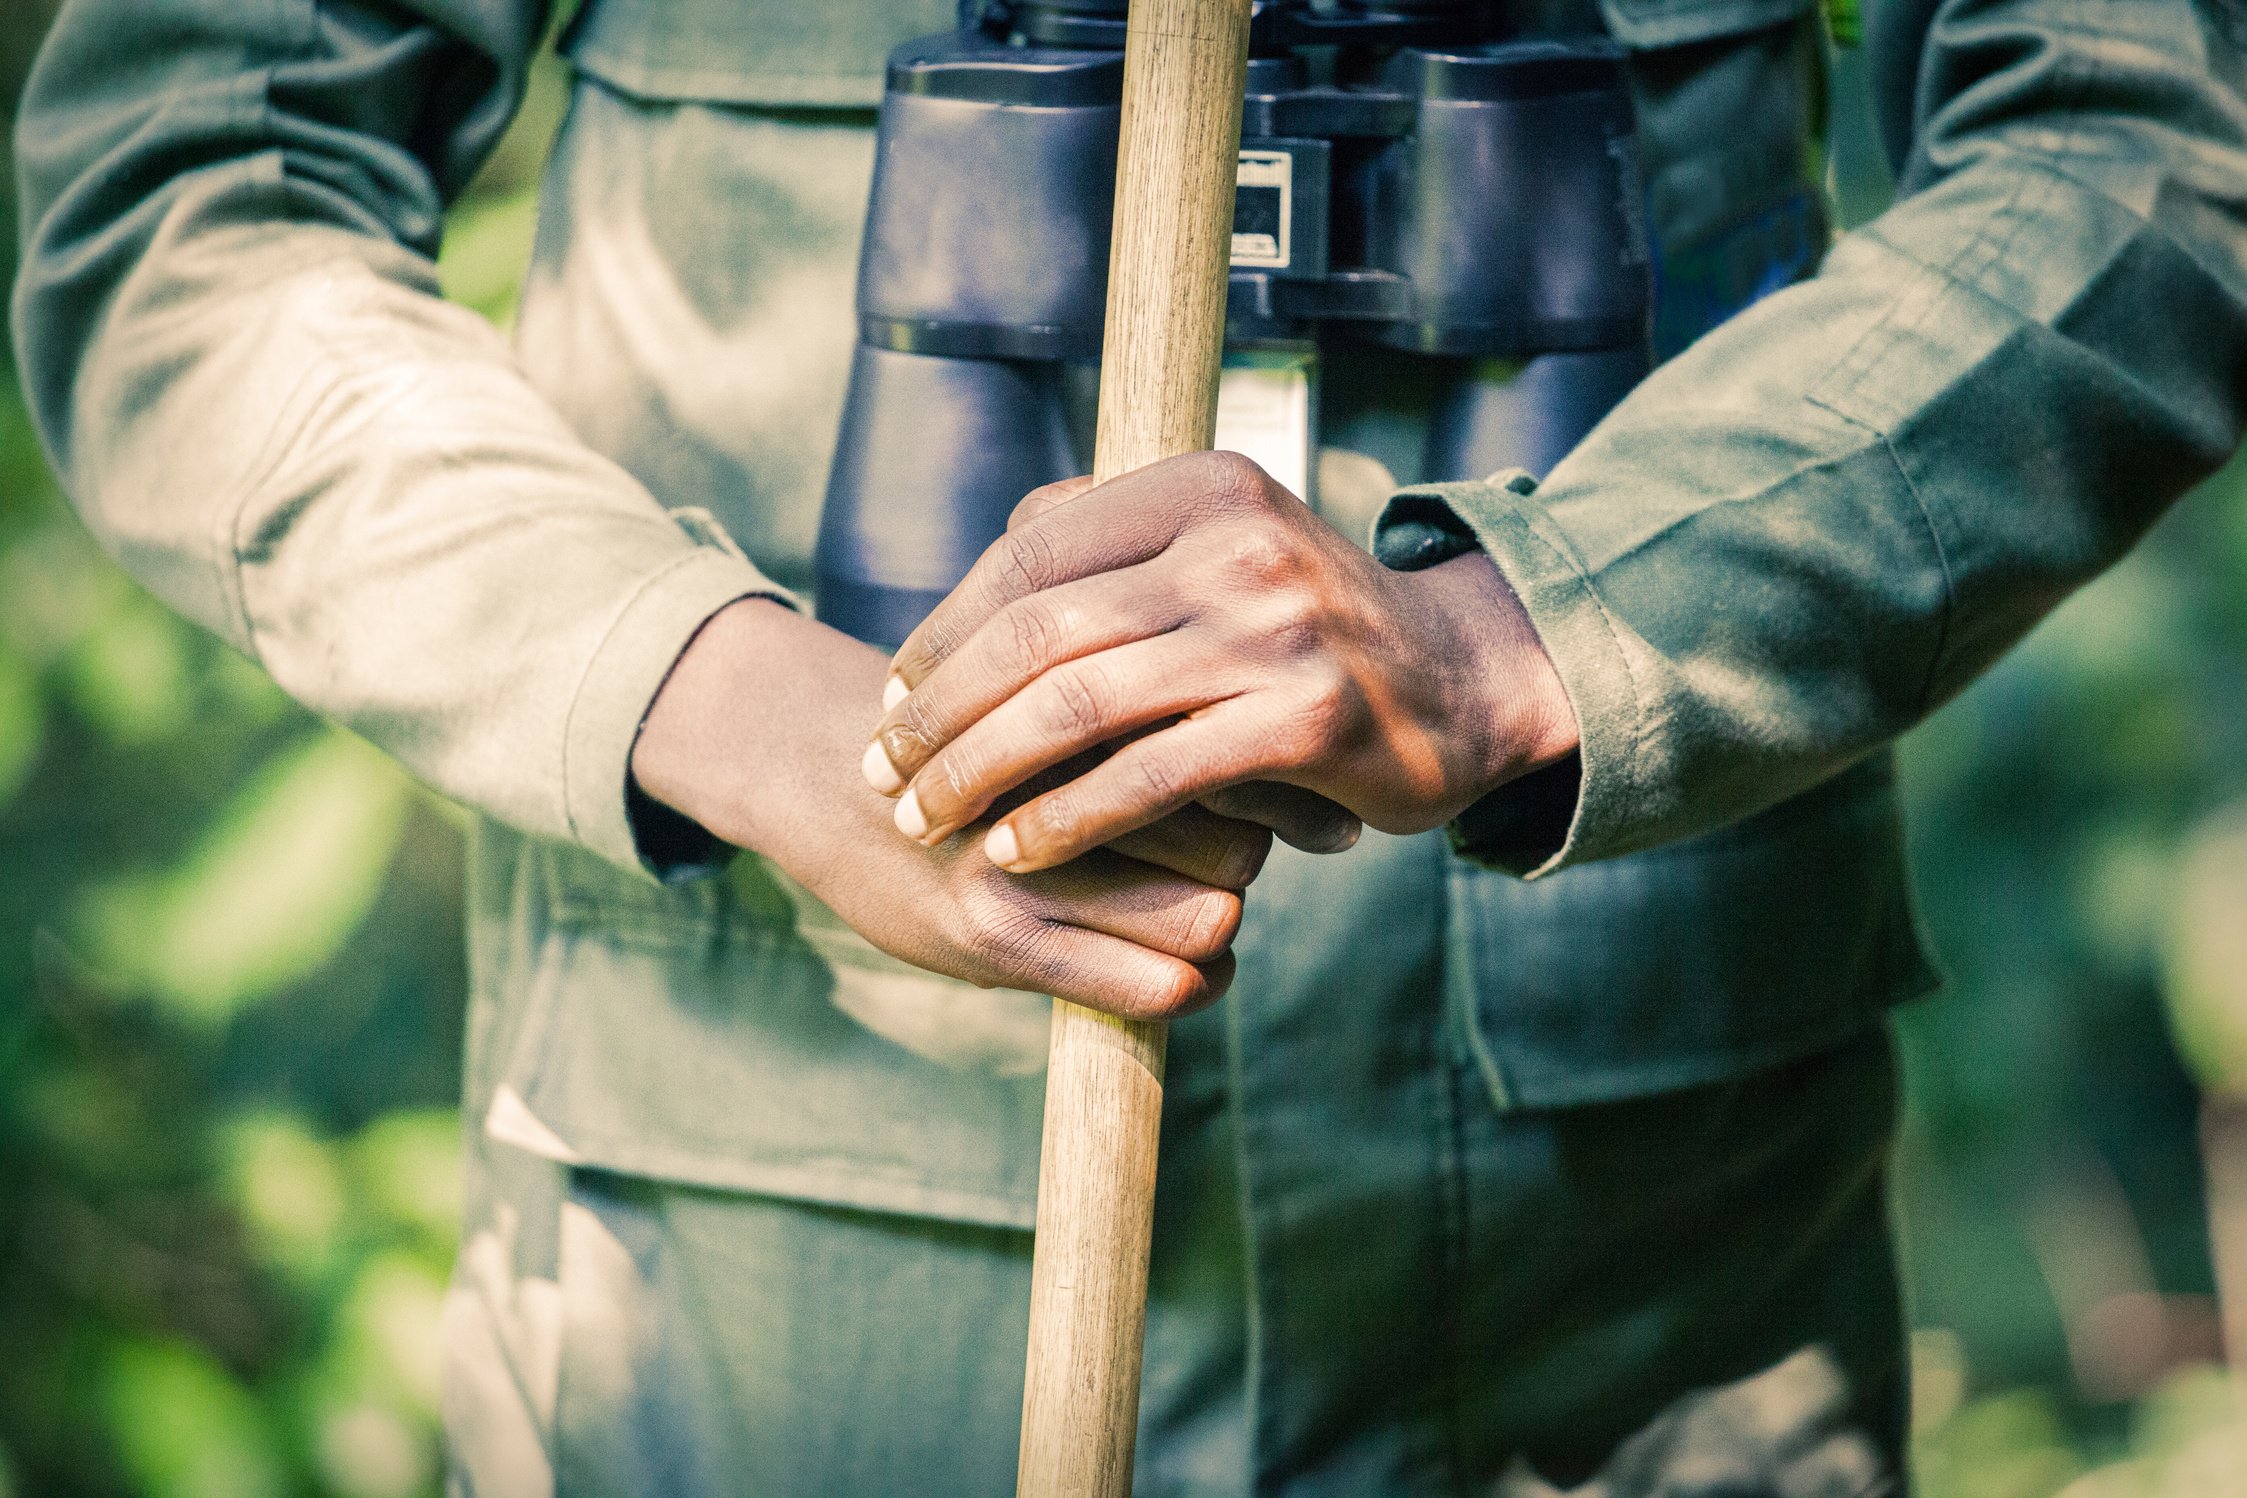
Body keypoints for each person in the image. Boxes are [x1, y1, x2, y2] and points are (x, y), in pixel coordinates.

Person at [12, 0, 2243, 1490]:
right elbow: (192, 185)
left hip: (1647, 1334)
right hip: (746, 1333)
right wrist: (741, 704)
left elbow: (2150, 129)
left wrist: (1537, 629)